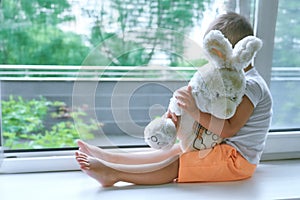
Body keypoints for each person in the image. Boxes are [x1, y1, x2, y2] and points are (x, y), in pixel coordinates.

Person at [75, 12, 273, 187]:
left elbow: (229, 128)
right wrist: (180, 115)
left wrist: (195, 111)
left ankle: (114, 174)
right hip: (220, 147)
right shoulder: (227, 81)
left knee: (177, 162)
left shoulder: (251, 86)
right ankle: (109, 158)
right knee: (171, 151)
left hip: (237, 161)